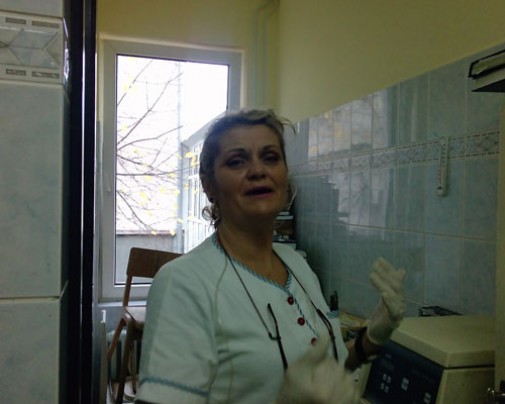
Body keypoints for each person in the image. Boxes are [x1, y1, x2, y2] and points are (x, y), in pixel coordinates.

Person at [135, 109, 406, 404]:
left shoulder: (297, 265)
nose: (257, 170)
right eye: (237, 161)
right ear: (208, 184)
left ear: (285, 176)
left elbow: (325, 373)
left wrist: (370, 340)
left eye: (270, 157)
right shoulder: (183, 283)